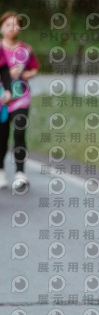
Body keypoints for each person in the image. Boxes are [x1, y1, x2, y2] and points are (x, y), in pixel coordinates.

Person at [0, 11, 39, 189]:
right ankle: (1, 171)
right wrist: (8, 75)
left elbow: (34, 68)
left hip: (21, 98)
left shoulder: (26, 50)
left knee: (19, 133)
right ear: (1, 28)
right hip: (2, 100)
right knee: (2, 136)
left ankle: (20, 173)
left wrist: (26, 74)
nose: (12, 28)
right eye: (8, 24)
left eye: (16, 24)